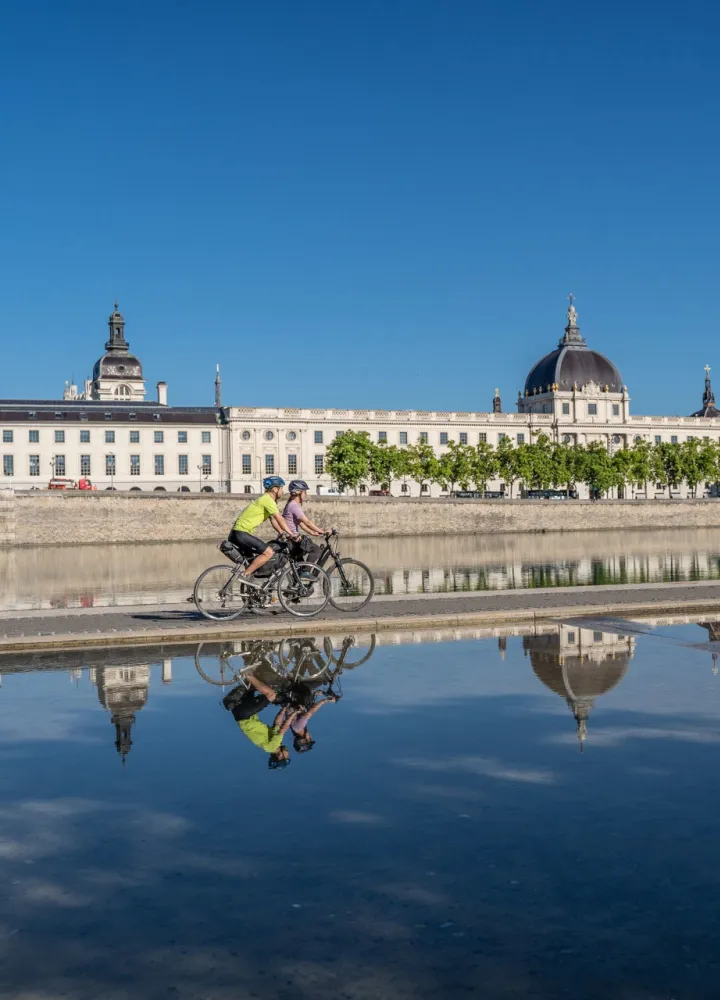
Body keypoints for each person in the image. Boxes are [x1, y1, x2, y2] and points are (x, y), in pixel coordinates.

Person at [223, 673, 301, 770]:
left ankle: (248, 674)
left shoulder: (273, 746)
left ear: (280, 756)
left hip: (245, 715)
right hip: (242, 715)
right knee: (255, 685)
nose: (288, 754)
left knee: (271, 694)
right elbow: (277, 723)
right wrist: (284, 708)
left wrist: (295, 713)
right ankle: (250, 662)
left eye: (287, 756)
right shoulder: (270, 746)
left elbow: (283, 728)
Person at [229, 476, 298, 584]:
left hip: (238, 533)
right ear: (275, 489)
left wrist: (282, 533)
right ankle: (244, 575)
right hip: (241, 533)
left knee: (253, 562)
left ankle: (251, 593)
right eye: (281, 488)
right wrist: (292, 534)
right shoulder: (268, 500)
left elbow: (273, 519)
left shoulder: (266, 499)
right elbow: (279, 518)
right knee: (268, 553)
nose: (282, 491)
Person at [282, 480, 329, 564]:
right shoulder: (294, 506)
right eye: (304, 492)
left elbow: (301, 524)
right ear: (299, 493)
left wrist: (312, 532)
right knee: (317, 550)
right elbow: (307, 522)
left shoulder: (290, 504)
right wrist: (321, 531)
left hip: (288, 539)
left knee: (299, 566)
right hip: (292, 540)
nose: (306, 494)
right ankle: (306, 573)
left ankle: (300, 574)